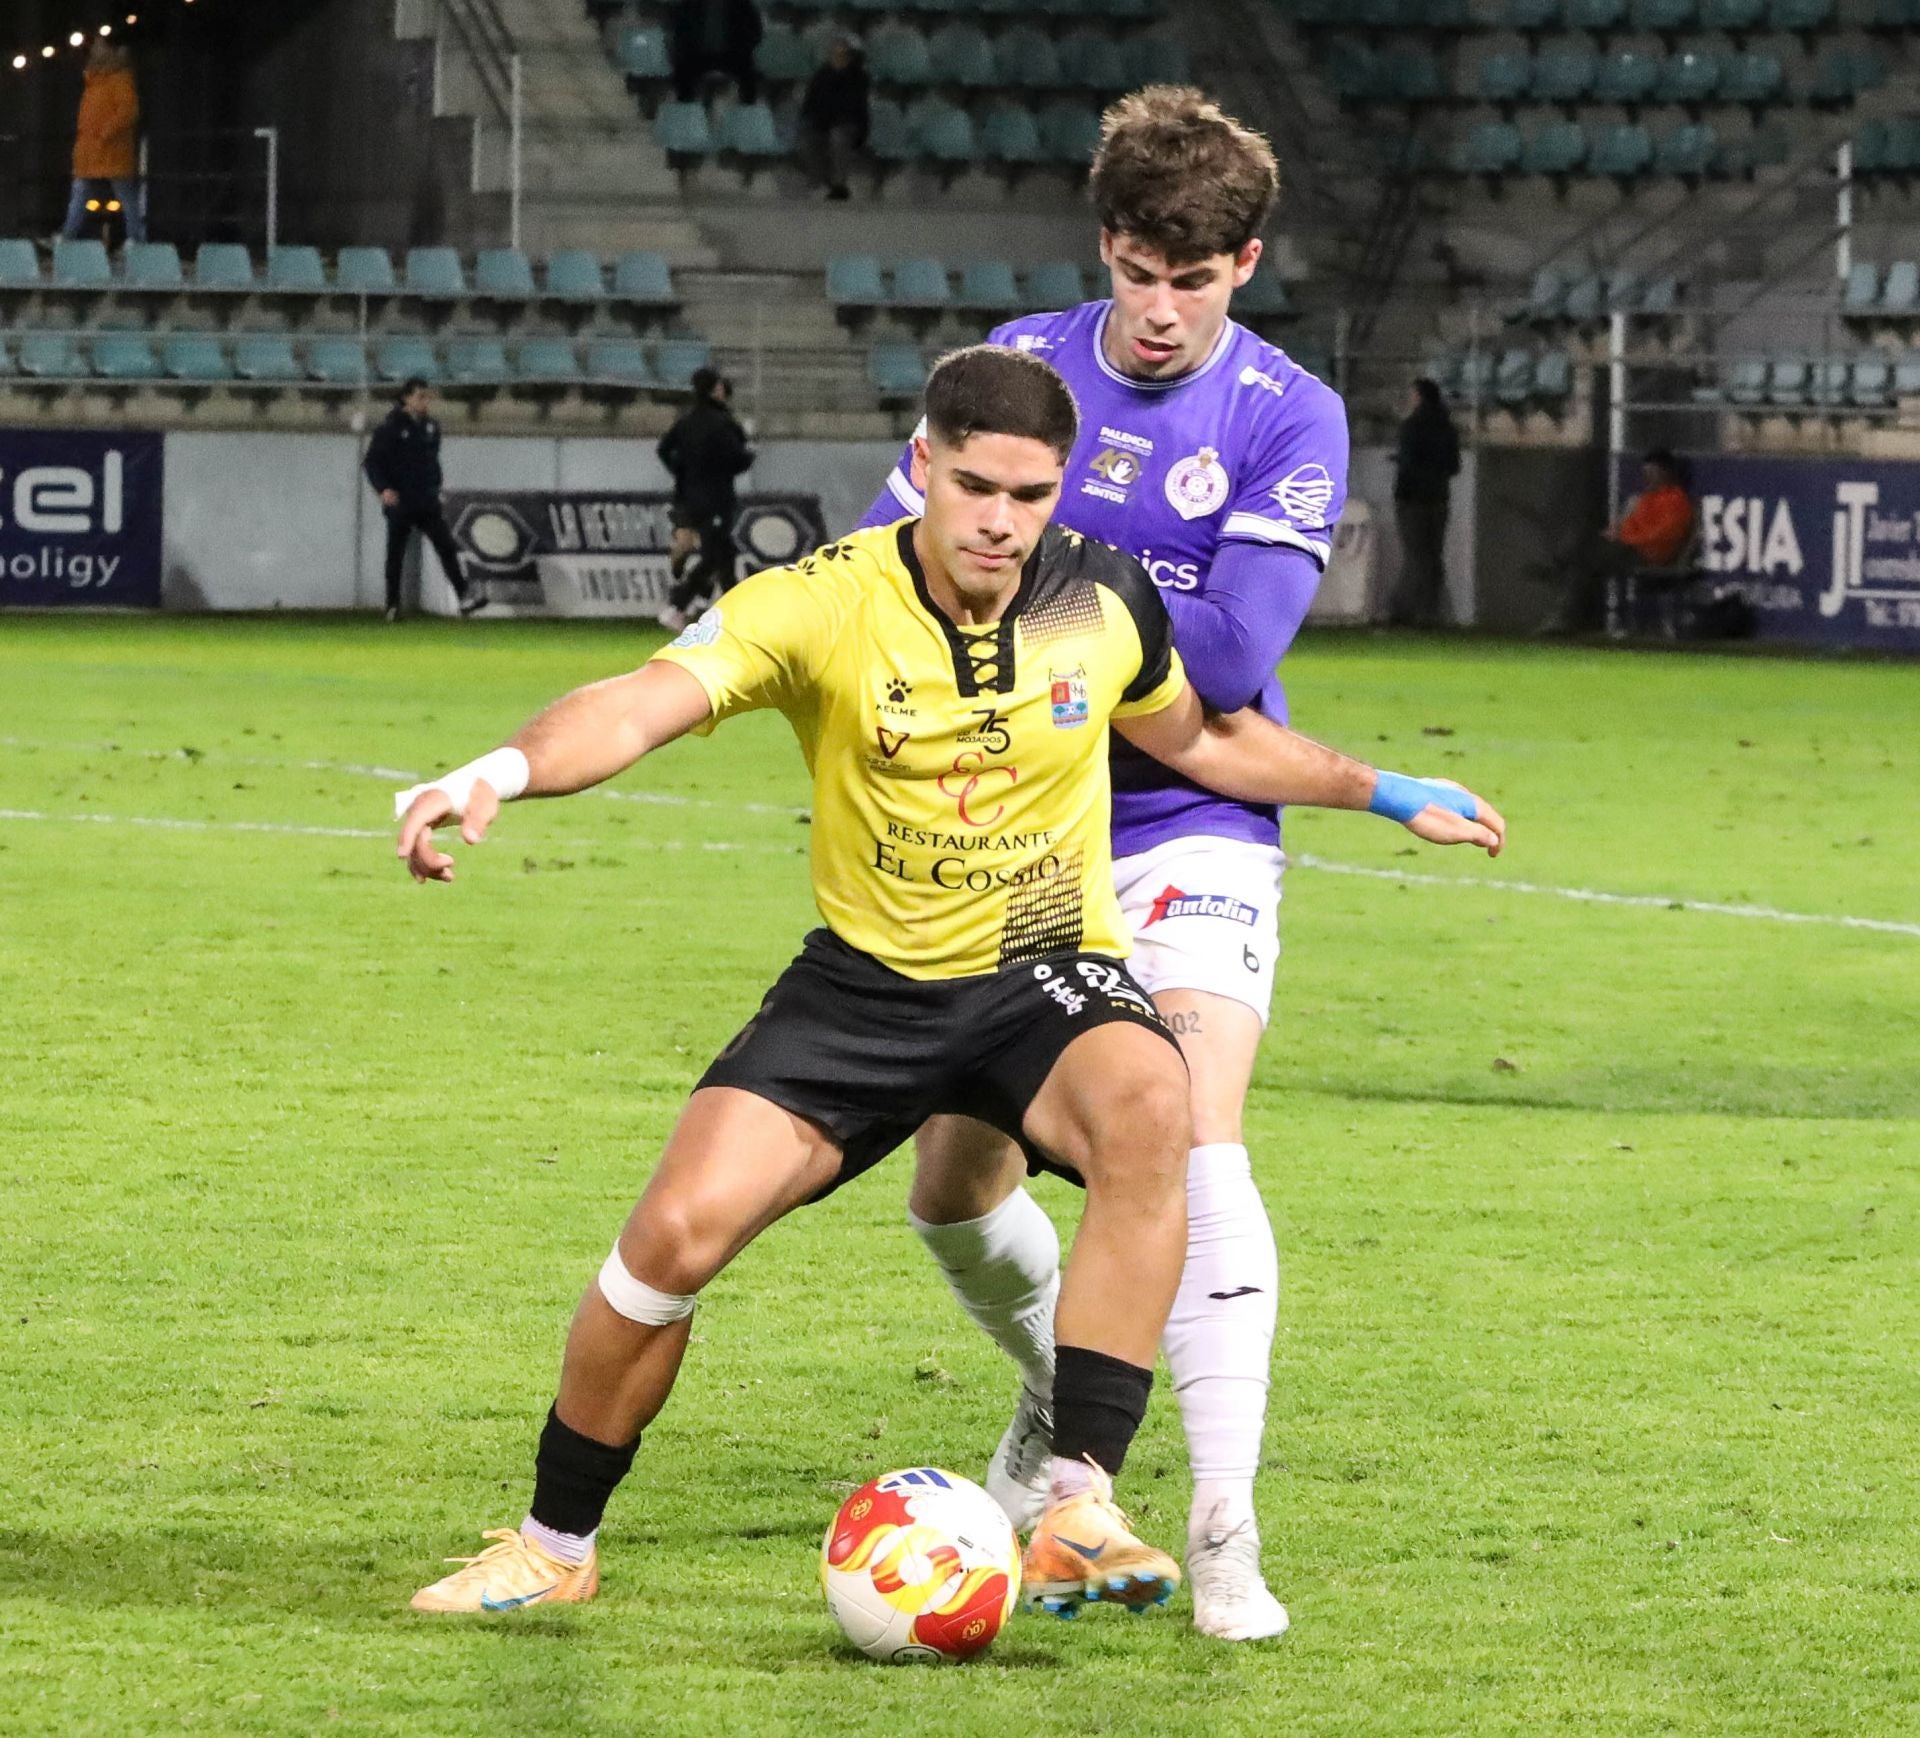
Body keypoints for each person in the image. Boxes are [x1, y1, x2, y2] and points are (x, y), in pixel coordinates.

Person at [393, 344, 1505, 1618]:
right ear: (921, 465)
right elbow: (642, 701)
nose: (999, 519)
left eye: (1031, 495)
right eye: (973, 485)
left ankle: (1079, 1499)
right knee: (666, 1246)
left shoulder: (1102, 600)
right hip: (865, 990)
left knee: (1158, 1108)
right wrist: (501, 770)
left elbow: (1199, 736)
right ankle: (553, 1546)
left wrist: (1386, 789)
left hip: (1048, 970)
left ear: (1061, 488)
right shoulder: (822, 600)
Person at [857, 86, 1348, 1641]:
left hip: (1197, 824)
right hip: (1008, 829)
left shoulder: (1287, 413)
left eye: (1191, 282)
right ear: (1106, 246)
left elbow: (1233, 654)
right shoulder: (1018, 364)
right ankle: (1063, 1375)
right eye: (1138, 271)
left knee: (1198, 1138)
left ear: (1245, 264)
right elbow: (892, 576)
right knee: (953, 1187)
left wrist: (1037, 570)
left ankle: (1220, 1531)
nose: (1156, 311)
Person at [1540, 448, 1695, 635]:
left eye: (1651, 473)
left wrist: (1625, 538)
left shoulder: (1676, 501)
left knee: (1585, 561)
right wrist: (1616, 533)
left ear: (1666, 473)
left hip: (1650, 554)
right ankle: (1567, 594)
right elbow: (1630, 525)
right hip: (1631, 550)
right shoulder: (1647, 499)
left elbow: (1663, 535)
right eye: (1645, 473)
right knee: (1586, 552)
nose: (1646, 478)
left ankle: (1565, 606)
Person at [363, 377, 482, 620]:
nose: (425, 401)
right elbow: (372, 462)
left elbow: (431, 460)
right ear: (407, 398)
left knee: (446, 546)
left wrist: (435, 485)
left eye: (428, 397)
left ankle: (464, 597)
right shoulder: (390, 427)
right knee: (396, 553)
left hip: (426, 500)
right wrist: (383, 489)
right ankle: (392, 605)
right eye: (420, 397)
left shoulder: (431, 427)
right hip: (401, 500)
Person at [655, 368, 755, 631]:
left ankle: (732, 615)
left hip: (687, 497)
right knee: (714, 555)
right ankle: (677, 605)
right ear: (716, 389)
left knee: (726, 554)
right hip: (716, 500)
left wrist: (681, 471)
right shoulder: (723, 422)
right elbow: (737, 459)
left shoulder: (686, 419)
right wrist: (749, 454)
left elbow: (664, 449)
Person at [1389, 378, 1460, 628]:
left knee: (1415, 555)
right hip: (1438, 498)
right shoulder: (1447, 427)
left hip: (1412, 500)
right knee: (1433, 555)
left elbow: (1409, 464)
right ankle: (1430, 610)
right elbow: (1454, 466)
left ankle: (1404, 609)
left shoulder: (1412, 426)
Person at [61, 40, 145, 246]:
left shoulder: (118, 80)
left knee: (123, 195)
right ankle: (67, 236)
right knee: (82, 193)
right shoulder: (94, 82)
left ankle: (137, 238)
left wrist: (107, 132)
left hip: (110, 149)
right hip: (93, 150)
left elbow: (128, 111)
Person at [796, 35, 869, 202]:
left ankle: (839, 185)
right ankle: (823, 180)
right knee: (806, 141)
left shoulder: (859, 77)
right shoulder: (821, 75)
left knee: (838, 137)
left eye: (843, 55)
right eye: (835, 54)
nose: (838, 58)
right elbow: (809, 104)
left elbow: (852, 108)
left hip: (849, 125)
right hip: (822, 124)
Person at [669, 0, 762, 107]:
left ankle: (747, 109)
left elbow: (755, 32)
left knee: (748, 72)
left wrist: (743, 47)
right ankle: (686, 108)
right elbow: (679, 32)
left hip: (732, 55)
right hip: (698, 55)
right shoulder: (689, 5)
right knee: (682, 69)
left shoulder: (742, 5)